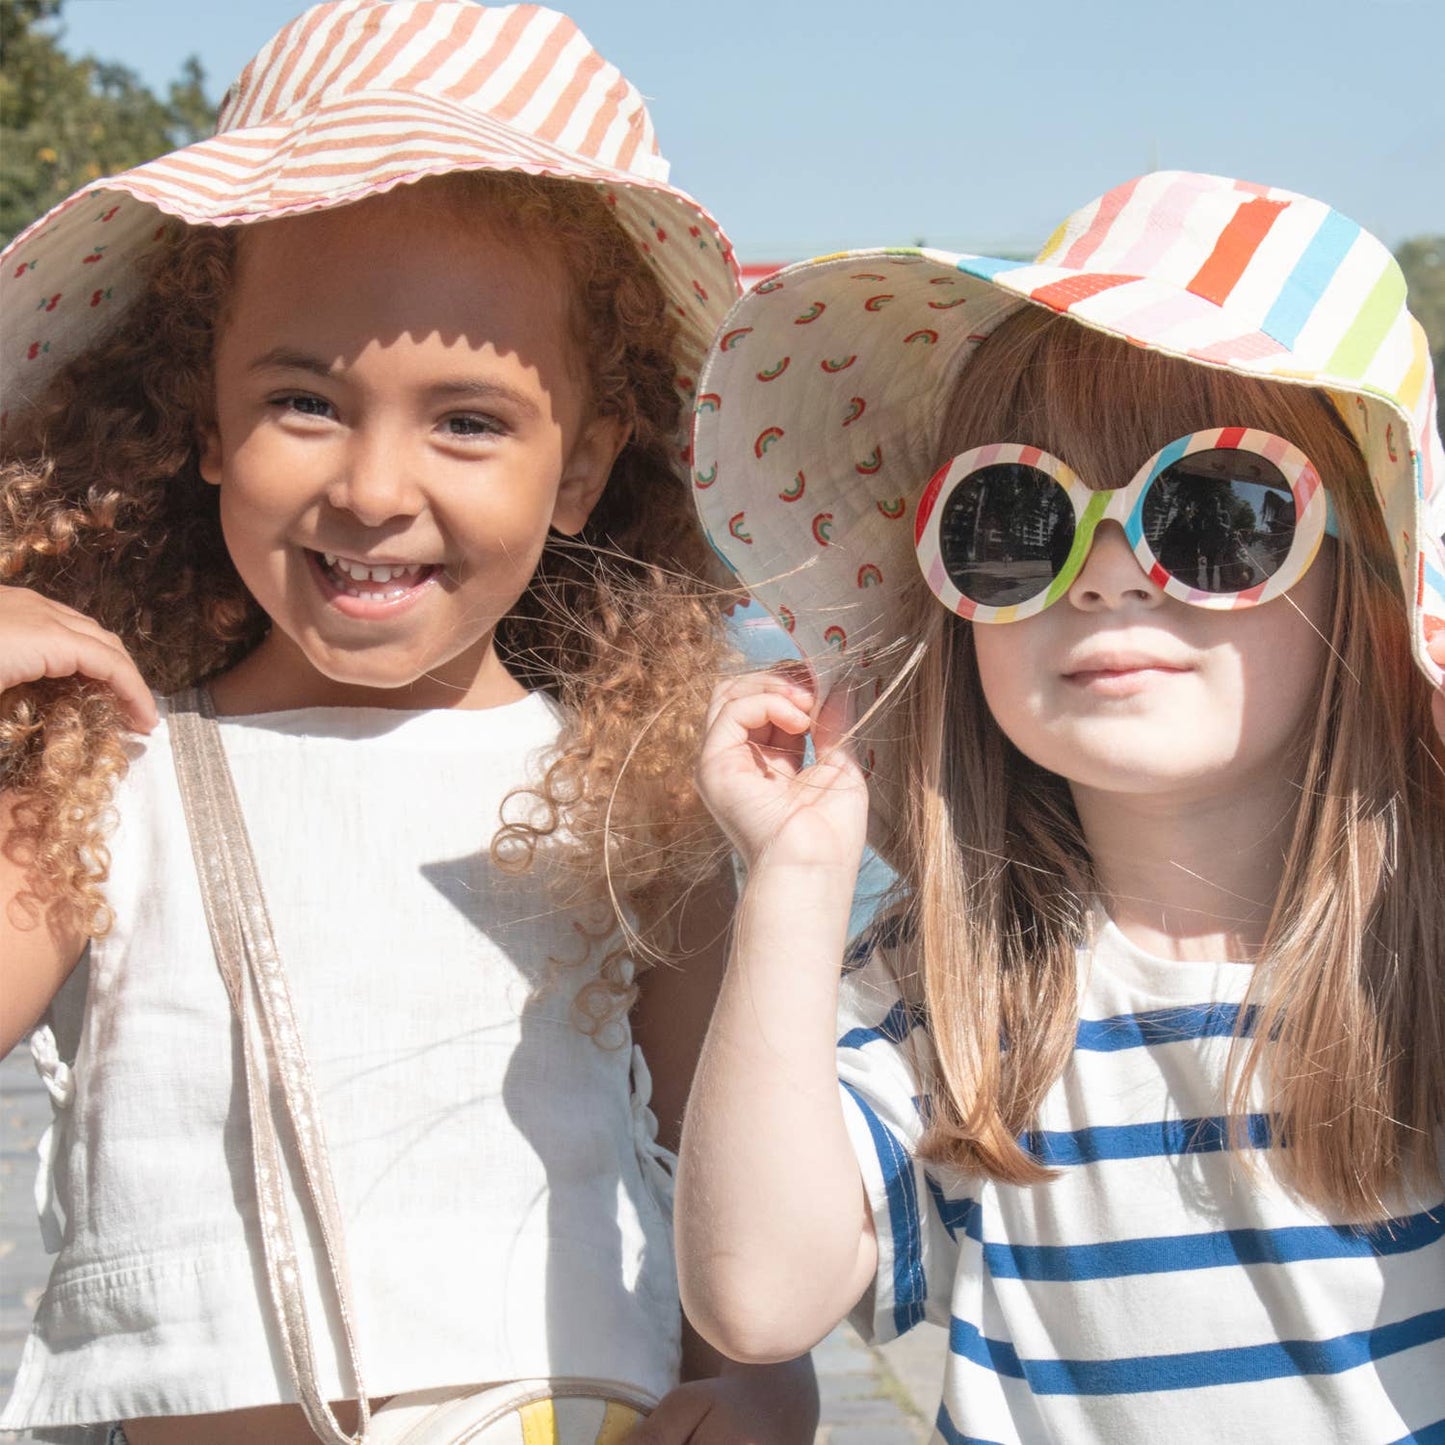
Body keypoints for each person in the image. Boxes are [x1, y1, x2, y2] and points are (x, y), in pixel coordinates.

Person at [0, 3, 815, 1441]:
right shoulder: (105, 766)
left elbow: (717, 1156)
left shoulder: (631, 797)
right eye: (303, 401)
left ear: (585, 467)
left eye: (469, 421)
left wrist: (760, 1377)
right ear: (203, 419)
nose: (375, 488)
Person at [675, 171, 1445, 1442]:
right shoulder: (952, 986)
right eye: (1015, 519)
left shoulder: (1412, 952)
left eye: (1214, 514)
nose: (1102, 574)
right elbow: (756, 1299)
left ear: (1368, 579)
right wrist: (798, 880)